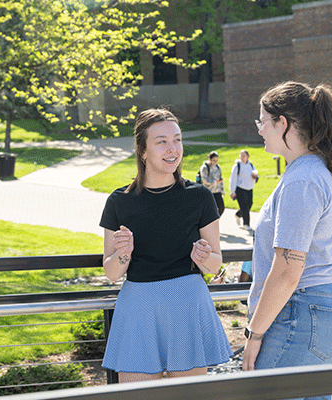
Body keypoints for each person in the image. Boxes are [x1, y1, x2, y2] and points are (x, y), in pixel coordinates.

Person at [99, 108, 233, 383]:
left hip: (187, 304)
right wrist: (124, 255)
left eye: (178, 140)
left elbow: (214, 264)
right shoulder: (118, 202)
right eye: (161, 142)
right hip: (139, 309)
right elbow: (112, 273)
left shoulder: (200, 197)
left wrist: (204, 257)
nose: (173, 149)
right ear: (142, 150)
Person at [242, 81, 332, 400]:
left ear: (283, 123)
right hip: (318, 310)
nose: (260, 130)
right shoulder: (316, 170)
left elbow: (287, 271)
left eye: (262, 121)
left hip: (299, 313)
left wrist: (254, 332)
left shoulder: (302, 180)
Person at [229, 149, 258, 232]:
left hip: (249, 189)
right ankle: (246, 224)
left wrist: (255, 177)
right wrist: (232, 191)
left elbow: (256, 175)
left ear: (248, 156)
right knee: (244, 206)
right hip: (240, 189)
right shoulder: (237, 166)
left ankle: (238, 214)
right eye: (241, 156)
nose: (242, 157)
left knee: (250, 204)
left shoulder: (251, 165)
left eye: (244, 156)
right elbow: (233, 179)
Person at [200, 150, 225, 216]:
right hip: (208, 191)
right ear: (209, 159)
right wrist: (215, 182)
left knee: (221, 208)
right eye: (213, 160)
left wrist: (222, 190)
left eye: (216, 160)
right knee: (210, 209)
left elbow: (220, 178)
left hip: (217, 191)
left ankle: (214, 221)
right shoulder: (205, 167)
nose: (215, 162)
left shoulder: (218, 167)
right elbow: (204, 180)